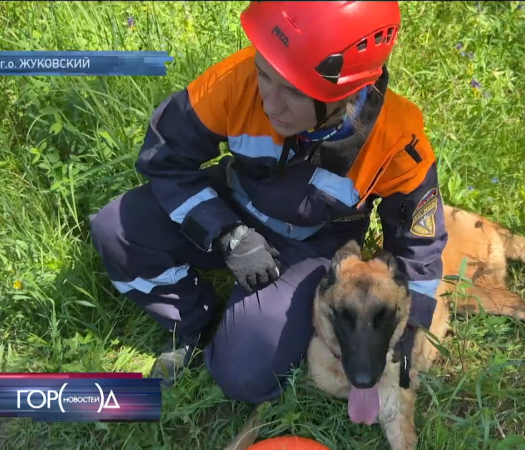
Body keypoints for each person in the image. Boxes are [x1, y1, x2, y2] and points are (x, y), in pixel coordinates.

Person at [89, 1, 449, 404]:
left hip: (308, 245)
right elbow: (164, 156)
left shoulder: (396, 139)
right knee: (115, 229)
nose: (270, 103)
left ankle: (252, 325)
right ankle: (193, 320)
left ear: (347, 92)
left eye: (294, 92)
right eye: (264, 74)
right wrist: (224, 232)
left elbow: (419, 243)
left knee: (244, 376)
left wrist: (411, 325)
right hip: (231, 202)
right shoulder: (237, 79)